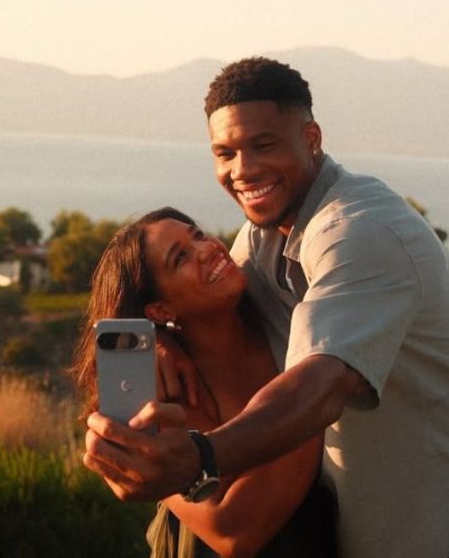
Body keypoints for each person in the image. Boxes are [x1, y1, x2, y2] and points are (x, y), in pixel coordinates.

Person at [83, 57, 449, 558]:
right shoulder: (259, 240)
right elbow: (207, 308)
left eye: (263, 145)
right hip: (383, 525)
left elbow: (323, 385)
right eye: (225, 153)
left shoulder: (360, 229)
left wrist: (201, 458)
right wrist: (161, 343)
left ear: (311, 138)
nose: (242, 170)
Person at [73, 207, 337, 557]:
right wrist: (322, 390)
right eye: (180, 257)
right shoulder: (160, 395)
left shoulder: (280, 315)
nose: (207, 248)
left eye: (197, 235)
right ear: (159, 310)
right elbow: (233, 532)